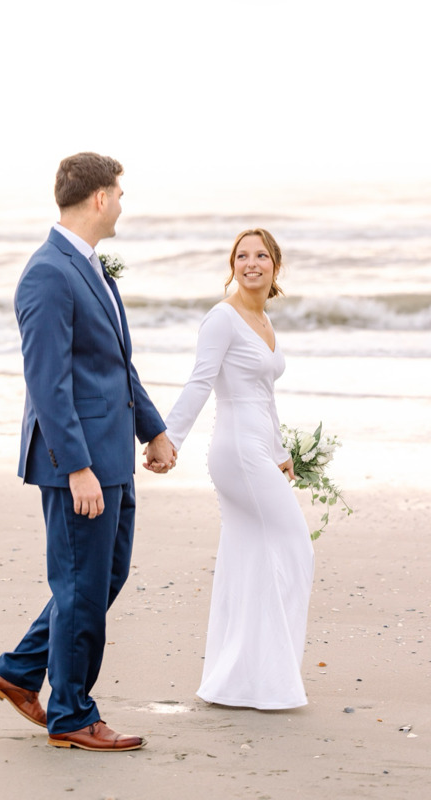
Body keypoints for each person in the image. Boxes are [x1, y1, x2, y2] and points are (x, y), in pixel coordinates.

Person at [0, 152, 177, 752]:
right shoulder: (48, 272)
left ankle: (17, 672)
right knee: (81, 586)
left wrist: (154, 429)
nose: (122, 201)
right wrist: (78, 468)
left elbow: (117, 365)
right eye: (119, 192)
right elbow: (48, 383)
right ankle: (71, 714)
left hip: (113, 453)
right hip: (81, 464)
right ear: (98, 198)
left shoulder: (93, 268)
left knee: (100, 579)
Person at [163, 228, 314, 709]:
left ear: (275, 266)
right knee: (294, 548)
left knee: (250, 558)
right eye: (242, 255)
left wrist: (280, 449)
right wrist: (169, 439)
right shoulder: (222, 319)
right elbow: (200, 382)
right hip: (235, 452)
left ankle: (240, 679)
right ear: (233, 265)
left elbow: (265, 397)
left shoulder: (264, 319)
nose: (252, 263)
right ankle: (265, 675)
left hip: (257, 449)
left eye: (262, 255)